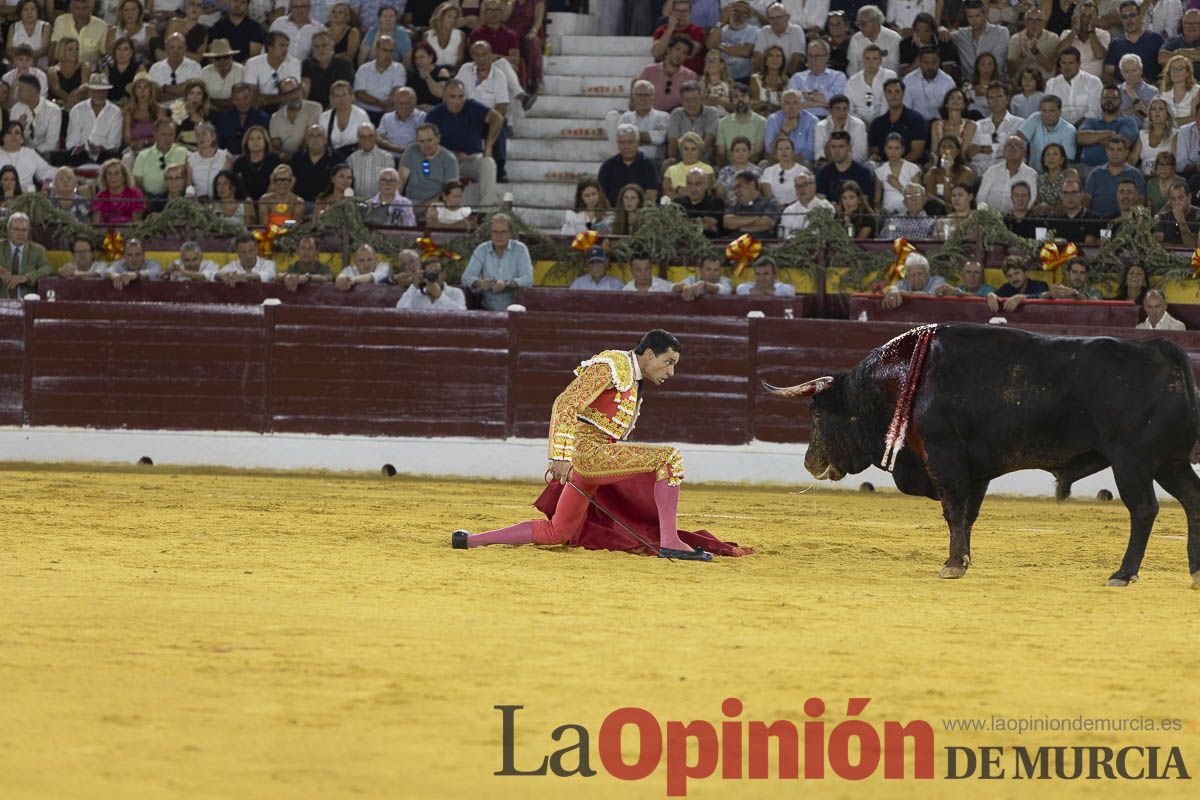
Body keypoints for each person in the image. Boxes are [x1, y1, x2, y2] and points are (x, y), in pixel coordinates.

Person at [453, 329, 745, 561]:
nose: (671, 372)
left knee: (557, 533)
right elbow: (566, 402)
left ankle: (471, 540)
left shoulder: (633, 377)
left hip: (593, 458)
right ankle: (669, 542)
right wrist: (560, 456)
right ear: (649, 354)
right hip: (590, 453)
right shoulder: (613, 365)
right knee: (669, 458)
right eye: (668, 362)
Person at [425, 79, 502, 208]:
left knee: (488, 163)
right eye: (452, 97)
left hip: (471, 159)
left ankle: (485, 211)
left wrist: (488, 146)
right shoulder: (434, 115)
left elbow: (497, 118)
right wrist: (453, 154)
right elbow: (428, 145)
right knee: (427, 165)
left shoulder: (472, 106)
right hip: (445, 161)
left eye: (460, 96)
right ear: (444, 96)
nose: (457, 101)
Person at [461, 213, 532, 310]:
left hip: (514, 311)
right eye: (495, 232)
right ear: (490, 233)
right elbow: (466, 278)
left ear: (510, 233)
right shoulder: (482, 249)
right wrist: (480, 283)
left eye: (503, 232)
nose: (499, 236)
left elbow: (528, 279)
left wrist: (506, 284)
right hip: (486, 309)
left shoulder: (520, 249)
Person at [1103, 0, 1164, 85]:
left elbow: (1166, 68)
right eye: (1124, 17)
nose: (1129, 20)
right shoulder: (1115, 44)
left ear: (1140, 16)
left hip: (1152, 92)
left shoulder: (1156, 39)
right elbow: (1107, 74)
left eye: (1132, 15)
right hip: (1124, 93)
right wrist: (1124, 87)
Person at [867, 78, 927, 164]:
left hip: (910, 166)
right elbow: (874, 151)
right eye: (889, 92)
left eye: (897, 91)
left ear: (903, 94)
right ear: (885, 94)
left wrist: (897, 167)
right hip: (883, 166)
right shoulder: (877, 123)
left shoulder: (916, 119)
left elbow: (917, 152)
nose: (893, 95)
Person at [598, 123, 660, 206]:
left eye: (630, 142)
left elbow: (651, 194)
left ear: (637, 143)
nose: (626, 146)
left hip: (641, 214)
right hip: (613, 213)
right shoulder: (608, 166)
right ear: (617, 144)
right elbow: (601, 195)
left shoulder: (648, 165)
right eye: (622, 143)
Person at [1083, 136, 1144, 218]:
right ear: (1106, 151)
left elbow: (1140, 199)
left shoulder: (1135, 174)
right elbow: (1086, 198)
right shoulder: (1095, 173)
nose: (1115, 153)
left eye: (1119, 149)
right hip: (1098, 222)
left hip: (1125, 222)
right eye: (1111, 149)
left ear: (1126, 152)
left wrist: (1131, 219)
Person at [637, 35, 699, 114]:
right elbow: (635, 101)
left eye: (684, 52)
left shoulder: (690, 76)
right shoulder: (649, 71)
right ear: (669, 50)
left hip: (676, 119)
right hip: (649, 117)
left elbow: (691, 104)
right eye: (677, 49)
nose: (679, 55)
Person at [951, 1, 1010, 82]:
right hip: (970, 85)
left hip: (996, 83)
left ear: (985, 14)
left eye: (977, 16)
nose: (974, 20)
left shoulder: (1000, 32)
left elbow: (998, 65)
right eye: (970, 17)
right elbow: (944, 33)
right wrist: (941, 29)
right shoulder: (961, 35)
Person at [977, 135, 1038, 213]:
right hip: (990, 218)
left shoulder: (1031, 174)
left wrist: (1017, 215)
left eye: (1017, 145)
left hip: (1017, 218)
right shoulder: (992, 170)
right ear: (1003, 151)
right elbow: (981, 197)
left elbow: (1031, 200)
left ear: (1024, 152)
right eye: (1008, 145)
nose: (1012, 148)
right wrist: (987, 215)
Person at [1045, 46, 1101, 127]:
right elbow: (1048, 111)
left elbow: (1094, 112)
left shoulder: (1093, 82)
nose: (1067, 67)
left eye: (1071, 63)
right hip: (1058, 129)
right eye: (1063, 63)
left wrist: (1073, 129)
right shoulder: (1051, 83)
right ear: (1059, 64)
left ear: (1079, 64)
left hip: (1086, 129)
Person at [666, 81, 720, 165]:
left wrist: (693, 162)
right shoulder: (676, 113)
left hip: (704, 161)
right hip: (681, 162)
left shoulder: (712, 113)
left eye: (695, 99)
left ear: (701, 98)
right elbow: (673, 141)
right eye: (687, 100)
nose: (692, 104)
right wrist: (673, 160)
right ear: (681, 101)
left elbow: (707, 141)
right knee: (666, 166)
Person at [619, 80, 671, 165]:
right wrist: (649, 136)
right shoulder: (626, 117)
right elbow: (623, 141)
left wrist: (633, 137)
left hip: (655, 162)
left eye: (647, 95)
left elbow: (660, 139)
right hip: (630, 161)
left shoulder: (664, 117)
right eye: (639, 95)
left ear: (653, 98)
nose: (643, 98)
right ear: (633, 98)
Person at [1020, 95, 1078, 171]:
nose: (1047, 115)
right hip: (1032, 173)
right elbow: (1018, 139)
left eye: (1052, 111)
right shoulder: (1035, 118)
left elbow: (1067, 161)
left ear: (1060, 111)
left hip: (1055, 175)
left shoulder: (1069, 130)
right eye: (1044, 111)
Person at [0, 212, 50, 298]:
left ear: (28, 231)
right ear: (8, 230)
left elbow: (47, 268)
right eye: (16, 229)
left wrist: (26, 278)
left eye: (24, 230)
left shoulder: (37, 250)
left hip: (27, 303)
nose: (21, 234)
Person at [815, 131, 874, 203]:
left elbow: (863, 201)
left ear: (849, 147)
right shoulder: (823, 173)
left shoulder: (863, 173)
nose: (836, 151)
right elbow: (821, 200)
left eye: (841, 146)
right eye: (833, 147)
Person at [302, 28, 355, 108]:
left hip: (337, 107)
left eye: (324, 45)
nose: (320, 49)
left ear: (332, 45)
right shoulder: (307, 64)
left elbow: (343, 92)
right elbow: (305, 93)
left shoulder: (344, 64)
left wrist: (326, 115)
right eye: (316, 46)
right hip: (312, 109)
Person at [717, 82, 768, 164]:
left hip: (752, 166)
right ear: (731, 101)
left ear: (750, 99)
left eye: (743, 96)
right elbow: (721, 153)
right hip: (730, 167)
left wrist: (741, 166)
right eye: (736, 97)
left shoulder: (762, 122)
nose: (740, 99)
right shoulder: (722, 123)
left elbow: (758, 153)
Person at [845, 44, 895, 124]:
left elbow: (889, 104)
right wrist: (861, 123)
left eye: (875, 59)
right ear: (863, 60)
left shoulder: (890, 76)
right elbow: (849, 108)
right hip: (858, 124)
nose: (871, 63)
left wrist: (879, 123)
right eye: (867, 58)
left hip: (886, 122)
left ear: (880, 61)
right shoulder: (852, 81)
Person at [902, 47, 955, 122]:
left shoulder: (948, 82)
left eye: (934, 62)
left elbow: (952, 111)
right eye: (926, 63)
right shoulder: (908, 80)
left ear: (939, 62)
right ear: (919, 62)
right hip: (916, 124)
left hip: (941, 125)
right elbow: (906, 109)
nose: (930, 67)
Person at [1008, 5, 1059, 81]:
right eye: (1030, 20)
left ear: (1043, 23)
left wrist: (1035, 51)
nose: (1034, 23)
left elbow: (1050, 67)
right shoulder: (1015, 39)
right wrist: (1021, 57)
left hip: (1044, 82)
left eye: (1038, 20)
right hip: (1021, 83)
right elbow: (1010, 72)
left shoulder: (1053, 38)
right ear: (1025, 22)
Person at [396, 257, 467, 311]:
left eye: (436, 272)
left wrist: (440, 296)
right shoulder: (416, 294)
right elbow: (399, 311)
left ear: (444, 273)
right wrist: (414, 286)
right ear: (423, 274)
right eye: (429, 273)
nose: (433, 276)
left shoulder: (455, 293)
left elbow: (462, 316)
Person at [723, 169, 781, 235]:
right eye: (735, 188)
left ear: (752, 184)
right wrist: (755, 218)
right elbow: (726, 222)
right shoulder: (735, 205)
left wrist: (739, 227)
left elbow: (767, 223)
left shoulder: (769, 203)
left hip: (759, 242)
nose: (736, 191)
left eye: (739, 186)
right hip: (734, 242)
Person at [848, 5, 902, 75]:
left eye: (863, 24)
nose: (860, 27)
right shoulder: (856, 39)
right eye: (858, 24)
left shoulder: (893, 38)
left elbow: (893, 67)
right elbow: (852, 67)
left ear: (876, 22)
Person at [753, 3, 806, 75]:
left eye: (779, 17)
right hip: (766, 76)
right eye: (771, 18)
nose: (775, 21)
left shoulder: (796, 30)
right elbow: (758, 57)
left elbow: (796, 58)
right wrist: (760, 78)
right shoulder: (764, 31)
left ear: (787, 17)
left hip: (789, 76)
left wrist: (783, 79)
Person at [881, 251, 946, 309]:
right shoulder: (903, 283)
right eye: (912, 275)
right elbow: (893, 292)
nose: (916, 278)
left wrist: (901, 292)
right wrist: (893, 289)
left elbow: (929, 297)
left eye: (920, 274)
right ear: (907, 276)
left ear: (928, 273)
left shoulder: (938, 281)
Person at [781, 169, 835, 235]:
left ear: (814, 186)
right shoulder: (789, 211)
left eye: (805, 184)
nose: (801, 189)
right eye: (798, 186)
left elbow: (821, 233)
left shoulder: (825, 206)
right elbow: (786, 236)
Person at [1155, 179, 1200, 248]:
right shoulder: (1164, 216)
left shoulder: (1198, 215)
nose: (1177, 203)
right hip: (1169, 257)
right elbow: (1157, 244)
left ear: (1189, 197)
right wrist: (1180, 247)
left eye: (1181, 198)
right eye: (1173, 199)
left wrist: (1181, 221)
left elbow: (1194, 246)